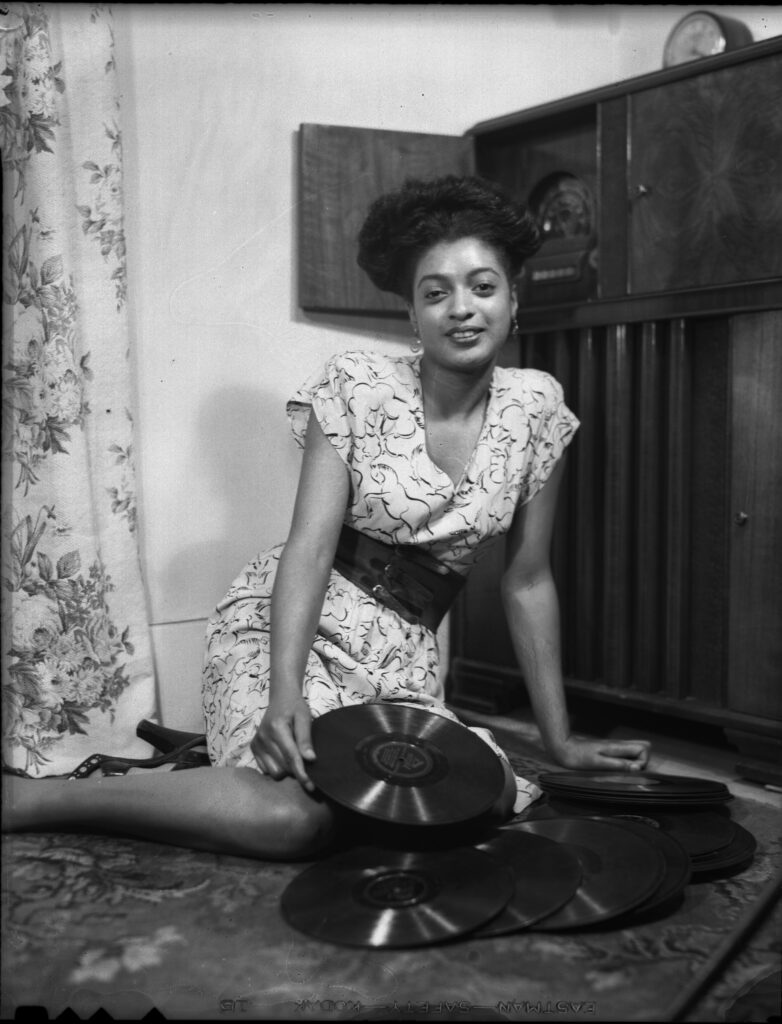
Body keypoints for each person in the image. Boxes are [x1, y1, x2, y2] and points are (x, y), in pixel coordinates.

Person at [3, 175, 650, 860]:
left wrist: (561, 740)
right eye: (437, 293)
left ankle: (197, 773)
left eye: (483, 287)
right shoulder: (357, 385)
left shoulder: (539, 408)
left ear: (513, 300)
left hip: (399, 661)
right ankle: (41, 797)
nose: (462, 309)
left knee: (478, 797)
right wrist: (286, 694)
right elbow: (309, 552)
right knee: (293, 820)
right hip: (290, 631)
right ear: (413, 314)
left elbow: (526, 582)